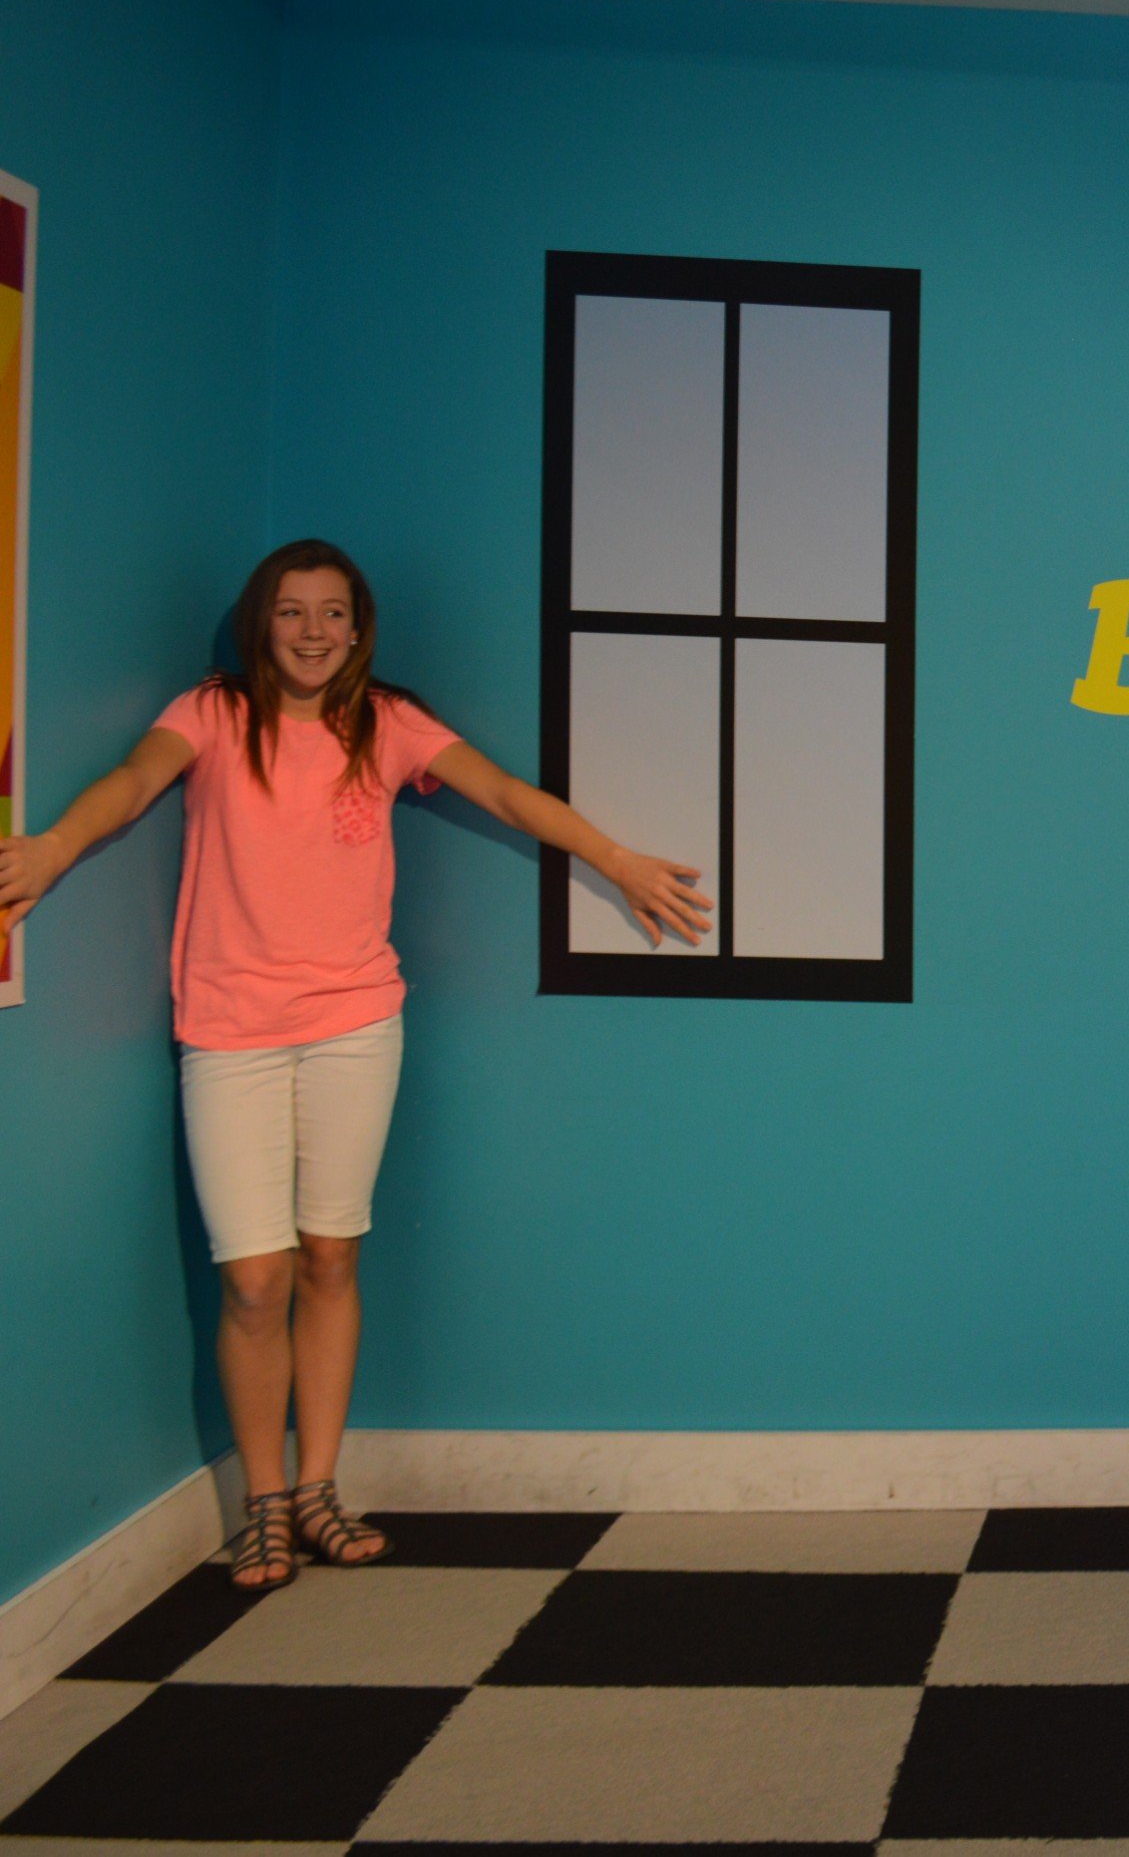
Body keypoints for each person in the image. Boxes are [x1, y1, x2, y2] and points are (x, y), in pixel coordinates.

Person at [0, 539, 710, 1589]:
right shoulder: (213, 713)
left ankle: (319, 1490)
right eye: (292, 611)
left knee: (331, 1257)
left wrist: (617, 860)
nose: (313, 631)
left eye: (333, 612)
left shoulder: (388, 724)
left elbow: (507, 795)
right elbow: (133, 782)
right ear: (262, 620)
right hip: (229, 1031)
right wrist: (55, 846)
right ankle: (264, 1501)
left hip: (355, 1026)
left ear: (358, 627)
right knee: (255, 1278)